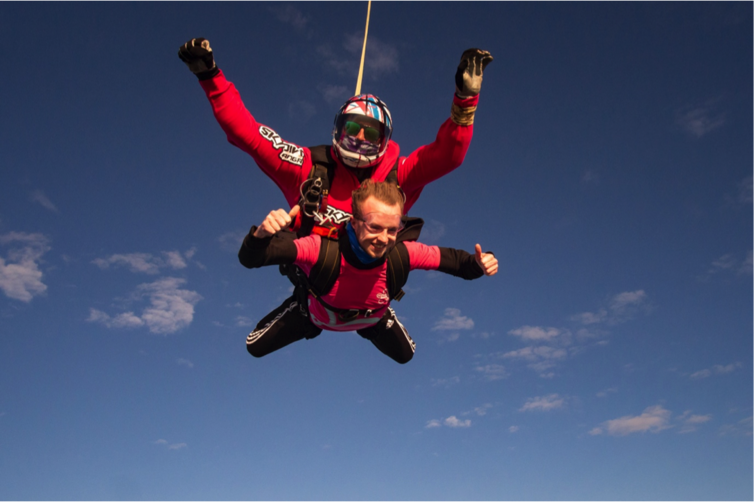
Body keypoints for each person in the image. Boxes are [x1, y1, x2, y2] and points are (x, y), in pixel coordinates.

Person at [178, 38, 493, 237]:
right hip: (316, 281)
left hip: (370, 286)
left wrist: (465, 101)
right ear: (336, 130)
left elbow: (448, 156)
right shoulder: (307, 167)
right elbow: (246, 132)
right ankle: (306, 308)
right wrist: (210, 76)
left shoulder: (398, 175)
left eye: (371, 133)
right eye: (351, 129)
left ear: (385, 141)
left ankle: (375, 315)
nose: (359, 138)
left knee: (399, 265)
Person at [238, 180, 498, 364]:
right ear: (353, 222)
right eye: (374, 227)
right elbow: (252, 259)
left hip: (372, 318)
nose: (383, 239)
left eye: (392, 230)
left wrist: (480, 264)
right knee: (254, 347)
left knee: (406, 356)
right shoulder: (321, 251)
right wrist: (260, 236)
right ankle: (305, 308)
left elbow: (455, 262)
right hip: (313, 316)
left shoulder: (403, 254)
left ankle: (373, 320)